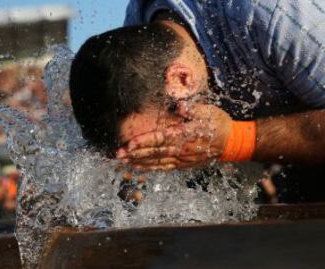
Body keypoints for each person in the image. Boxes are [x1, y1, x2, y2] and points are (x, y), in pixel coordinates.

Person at [70, 1, 325, 201]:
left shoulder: (277, 19)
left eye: (163, 140)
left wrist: (237, 140)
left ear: (181, 79)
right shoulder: (137, 41)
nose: (165, 154)